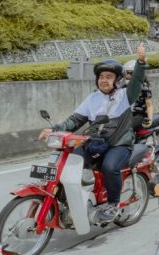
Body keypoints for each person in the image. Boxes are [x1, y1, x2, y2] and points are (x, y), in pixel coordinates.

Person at [39, 45, 148, 223]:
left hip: (119, 145)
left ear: (118, 80)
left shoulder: (125, 96)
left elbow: (136, 82)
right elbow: (74, 120)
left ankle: (113, 204)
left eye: (109, 77)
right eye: (101, 77)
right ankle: (67, 202)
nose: (104, 80)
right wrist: (54, 129)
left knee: (109, 167)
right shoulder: (92, 98)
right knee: (67, 162)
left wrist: (141, 63)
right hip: (96, 143)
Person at [123, 59, 154, 130]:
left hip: (139, 114)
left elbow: (149, 105)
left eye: (131, 73)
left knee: (127, 127)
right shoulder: (122, 87)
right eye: (126, 73)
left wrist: (150, 120)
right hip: (126, 115)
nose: (128, 75)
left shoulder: (144, 86)